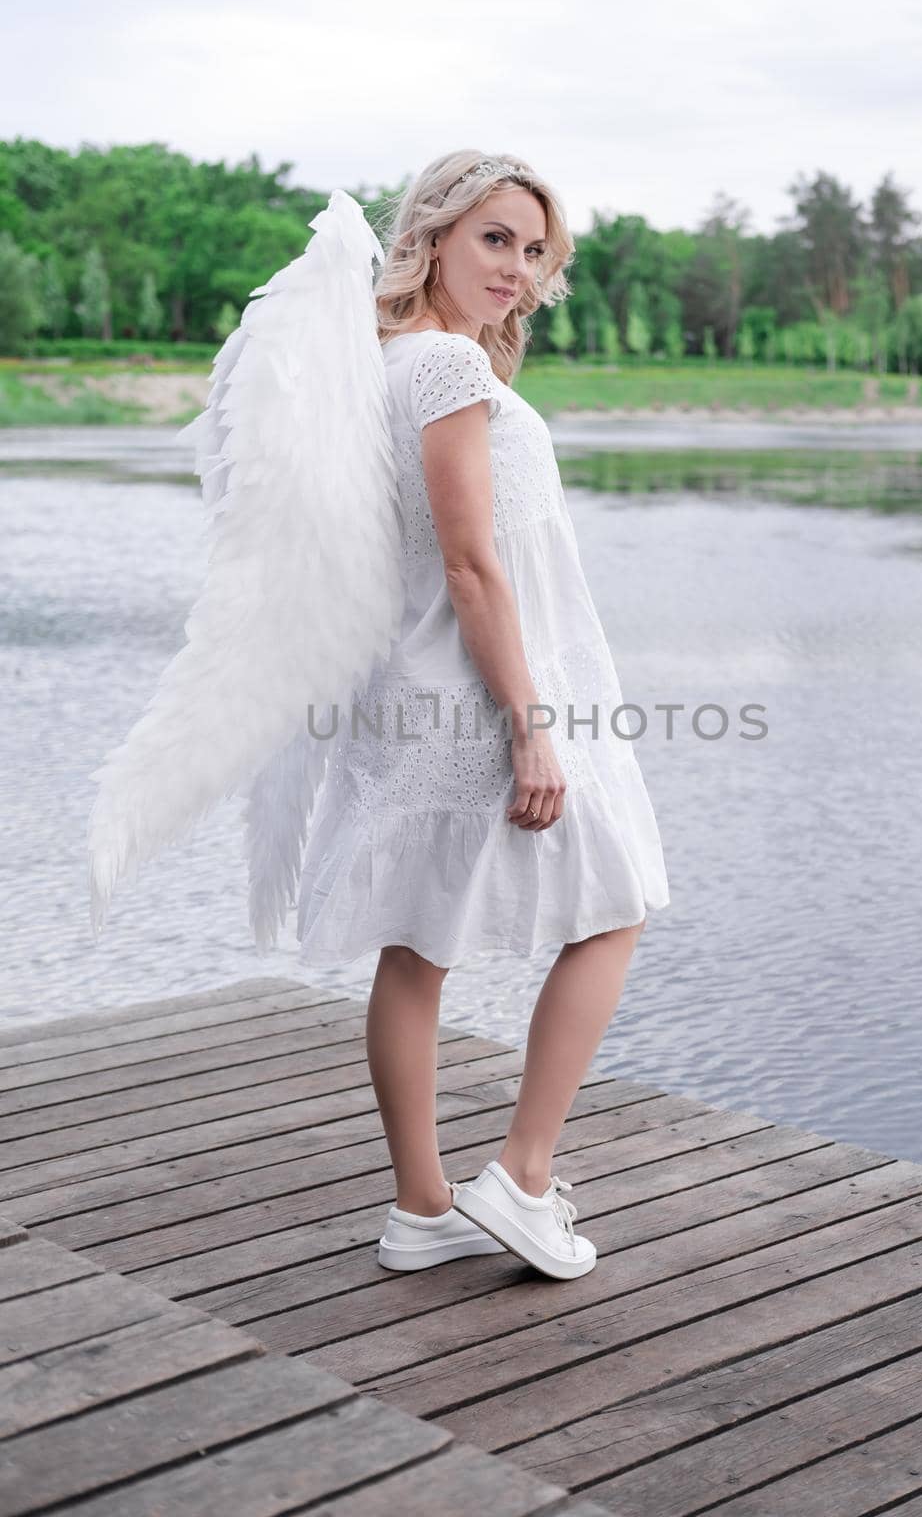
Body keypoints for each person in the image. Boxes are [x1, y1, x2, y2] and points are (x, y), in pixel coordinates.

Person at [292, 150, 670, 1281]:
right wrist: (531, 723)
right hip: (475, 693)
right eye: (494, 238)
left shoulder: (379, 359)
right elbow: (470, 563)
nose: (515, 268)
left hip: (406, 690)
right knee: (616, 902)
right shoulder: (448, 365)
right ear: (435, 235)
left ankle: (422, 1210)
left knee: (415, 949)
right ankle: (524, 1174)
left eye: (533, 250)